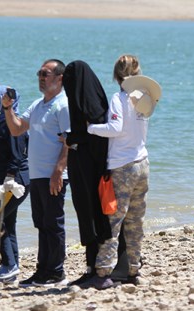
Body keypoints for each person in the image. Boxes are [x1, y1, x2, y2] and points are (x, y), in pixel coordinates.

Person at [83, 54, 159, 289]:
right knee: (136, 221)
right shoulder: (145, 99)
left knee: (112, 221)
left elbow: (115, 128)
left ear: (116, 75)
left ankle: (103, 271)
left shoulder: (119, 97)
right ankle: (133, 270)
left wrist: (91, 128)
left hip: (122, 165)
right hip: (143, 162)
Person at [3, 59, 70, 287]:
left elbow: (69, 142)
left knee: (53, 222)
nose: (41, 78)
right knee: (41, 223)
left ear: (59, 78)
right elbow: (16, 129)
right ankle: (43, 271)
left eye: (46, 74)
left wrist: (58, 171)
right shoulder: (39, 104)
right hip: (37, 174)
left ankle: (57, 272)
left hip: (54, 174)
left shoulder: (63, 105)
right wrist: (7, 107)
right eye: (39, 74)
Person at [62, 60, 113, 285]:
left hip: (90, 169)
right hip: (84, 166)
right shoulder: (91, 98)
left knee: (93, 216)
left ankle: (98, 270)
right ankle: (92, 267)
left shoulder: (89, 103)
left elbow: (95, 134)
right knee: (87, 216)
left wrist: (71, 138)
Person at [0, 85, 30, 282]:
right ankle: (12, 268)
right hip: (2, 182)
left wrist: (9, 178)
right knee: (7, 222)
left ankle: (9, 264)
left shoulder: (12, 123)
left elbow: (17, 155)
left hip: (13, 182)